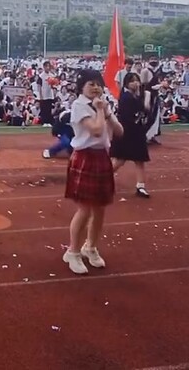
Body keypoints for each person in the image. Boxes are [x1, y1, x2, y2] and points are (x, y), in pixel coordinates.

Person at [63, 69, 123, 275]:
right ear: (81, 86)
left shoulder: (101, 104)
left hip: (101, 157)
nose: (96, 87)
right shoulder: (79, 105)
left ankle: (91, 247)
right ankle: (73, 251)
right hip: (85, 157)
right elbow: (96, 130)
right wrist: (100, 110)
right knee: (85, 209)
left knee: (100, 208)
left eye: (98, 83)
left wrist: (107, 112)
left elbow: (119, 131)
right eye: (91, 83)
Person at [111, 72, 151, 197]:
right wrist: (147, 97)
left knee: (139, 160)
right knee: (120, 160)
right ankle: (102, 178)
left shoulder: (134, 96)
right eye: (132, 81)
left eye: (137, 80)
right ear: (127, 83)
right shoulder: (126, 97)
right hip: (127, 133)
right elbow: (143, 110)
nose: (136, 83)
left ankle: (140, 185)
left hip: (136, 132)